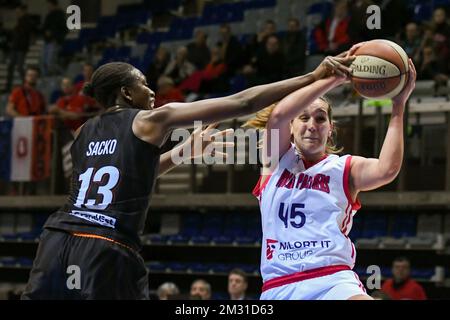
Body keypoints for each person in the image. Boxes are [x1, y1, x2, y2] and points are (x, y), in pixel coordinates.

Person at [21, 53, 354, 299]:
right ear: (125, 93)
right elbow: (242, 101)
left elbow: (126, 180)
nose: (151, 91)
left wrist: (184, 152)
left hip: (55, 240)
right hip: (106, 246)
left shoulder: (81, 132)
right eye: (143, 83)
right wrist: (312, 77)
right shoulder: (151, 119)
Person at [245, 46, 416, 300]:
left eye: (320, 119)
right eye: (303, 118)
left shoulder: (343, 167)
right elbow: (279, 114)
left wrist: (398, 105)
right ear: (291, 127)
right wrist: (333, 78)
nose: (312, 126)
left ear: (330, 128)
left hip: (332, 280)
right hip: (279, 285)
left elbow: (387, 169)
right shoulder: (276, 163)